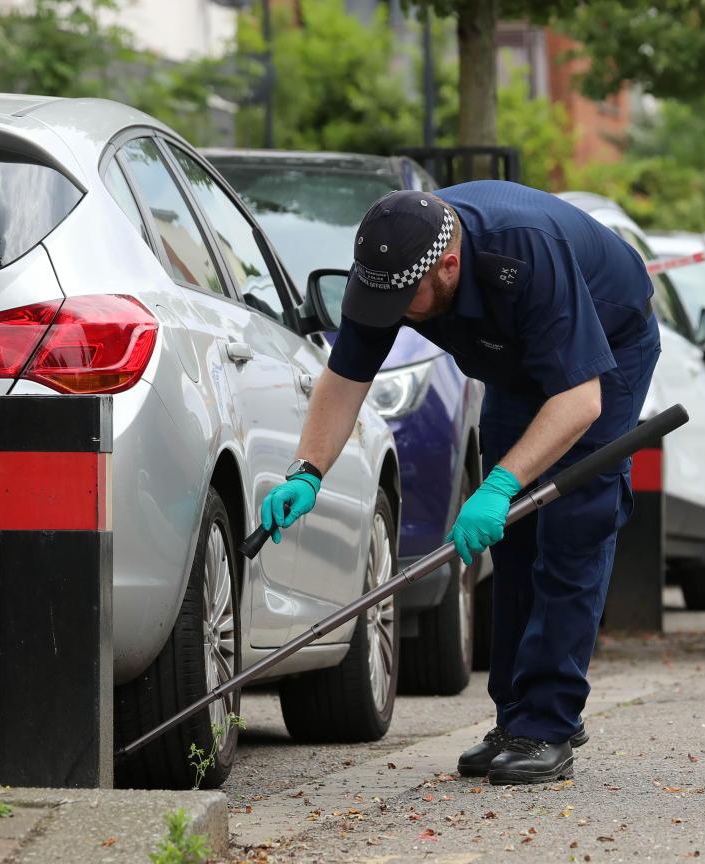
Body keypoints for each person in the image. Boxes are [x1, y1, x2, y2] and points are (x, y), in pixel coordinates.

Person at [260, 183, 660, 785]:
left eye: (406, 301)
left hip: (603, 351)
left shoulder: (525, 254)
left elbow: (579, 399)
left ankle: (546, 725)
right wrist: (307, 470)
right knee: (512, 542)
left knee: (572, 526)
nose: (392, 312)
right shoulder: (393, 267)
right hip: (515, 365)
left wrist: (498, 484)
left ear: (450, 266)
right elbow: (344, 378)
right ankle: (515, 717)